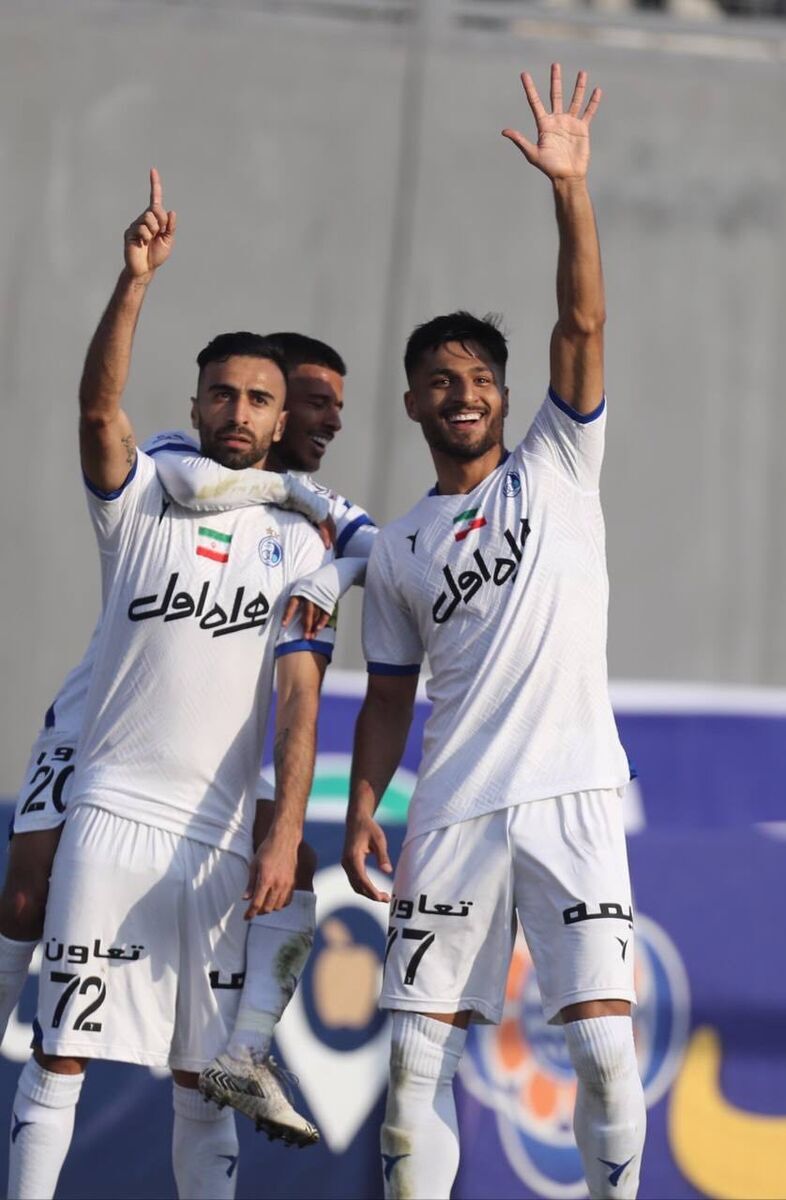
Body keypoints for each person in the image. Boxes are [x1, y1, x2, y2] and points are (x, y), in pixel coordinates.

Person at [342, 65, 646, 1200]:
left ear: (508, 398)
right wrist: (363, 809)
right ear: (413, 404)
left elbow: (583, 320)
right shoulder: (397, 548)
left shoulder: (559, 463)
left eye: (478, 378)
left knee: (603, 1050)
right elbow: (387, 698)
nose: (462, 393)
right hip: (454, 808)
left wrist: (570, 189)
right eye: (439, 380)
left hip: (571, 794)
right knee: (415, 1069)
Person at [6, 171, 334, 1200]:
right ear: (195, 405)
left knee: (204, 1087)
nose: (238, 411)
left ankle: (248, 1051)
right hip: (112, 812)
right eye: (222, 394)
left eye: (259, 399)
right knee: (61, 1055)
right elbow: (96, 408)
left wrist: (284, 826)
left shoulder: (304, 545)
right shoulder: (144, 496)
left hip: (219, 834)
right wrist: (134, 281)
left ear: (280, 422)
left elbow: (299, 696)